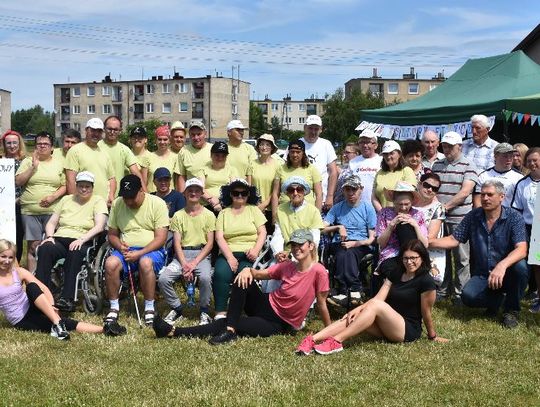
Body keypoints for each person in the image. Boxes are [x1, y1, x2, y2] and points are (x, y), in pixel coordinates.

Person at [153, 229, 331, 345]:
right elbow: (258, 274)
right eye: (293, 245)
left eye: (301, 244)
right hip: (265, 304)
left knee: (224, 322)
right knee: (242, 276)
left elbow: (322, 303)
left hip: (277, 322)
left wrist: (329, 332)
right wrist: (247, 271)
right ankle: (231, 329)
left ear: (311, 246)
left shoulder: (319, 272)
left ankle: (174, 332)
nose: (296, 248)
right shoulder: (287, 266)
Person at [296, 239, 446, 356]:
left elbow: (426, 313)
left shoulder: (426, 280)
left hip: (407, 330)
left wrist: (432, 336)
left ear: (422, 258)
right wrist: (358, 309)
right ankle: (312, 340)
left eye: (414, 258)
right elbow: (378, 298)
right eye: (406, 258)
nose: (409, 262)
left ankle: (337, 341)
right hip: (386, 325)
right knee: (352, 316)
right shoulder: (396, 273)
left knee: (374, 306)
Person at [431, 180, 528, 328]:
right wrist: (427, 242)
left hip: (507, 273)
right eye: (482, 195)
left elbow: (521, 249)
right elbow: (453, 240)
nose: (485, 198)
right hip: (483, 274)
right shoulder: (473, 216)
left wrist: (502, 266)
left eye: (490, 195)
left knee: (520, 268)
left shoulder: (514, 217)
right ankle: (497, 301)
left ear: (502, 197)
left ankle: (511, 311)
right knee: (468, 297)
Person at [0, 239, 126, 340]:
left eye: (10, 257)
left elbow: (42, 287)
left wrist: (51, 306)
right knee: (64, 323)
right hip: (21, 320)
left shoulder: (19, 272)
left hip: (36, 306)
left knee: (33, 286)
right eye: (3, 256)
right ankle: (105, 330)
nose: (7, 261)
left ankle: (57, 323)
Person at [34, 171, 108, 312]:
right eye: (81, 186)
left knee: (74, 252)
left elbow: (99, 226)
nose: (84, 189)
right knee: (45, 249)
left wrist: (82, 239)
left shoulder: (98, 201)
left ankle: (66, 298)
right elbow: (51, 223)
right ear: (76, 186)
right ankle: (41, 294)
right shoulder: (66, 200)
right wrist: (49, 237)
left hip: (83, 240)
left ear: (92, 187)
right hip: (60, 238)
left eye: (87, 186)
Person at [104, 174, 169, 326]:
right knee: (110, 263)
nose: (128, 201)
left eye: (132, 197)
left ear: (141, 191)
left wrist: (140, 253)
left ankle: (149, 307)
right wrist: (119, 245)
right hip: (126, 249)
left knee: (145, 263)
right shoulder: (117, 204)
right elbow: (112, 234)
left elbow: (161, 238)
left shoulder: (157, 203)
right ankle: (113, 307)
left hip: (151, 250)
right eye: (125, 197)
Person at [158, 178, 215, 326]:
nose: (193, 193)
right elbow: (176, 242)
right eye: (190, 190)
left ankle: (204, 310)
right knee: (164, 278)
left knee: (205, 278)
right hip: (182, 255)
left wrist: (194, 263)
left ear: (202, 193)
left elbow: (210, 243)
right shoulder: (178, 215)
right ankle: (177, 308)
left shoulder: (209, 215)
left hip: (201, 255)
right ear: (185, 193)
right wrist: (184, 264)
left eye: (197, 190)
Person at [432, 131, 478, 301]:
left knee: (462, 258)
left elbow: (465, 192)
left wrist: (444, 207)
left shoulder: (469, 165)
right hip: (440, 218)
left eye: (450, 146)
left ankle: (461, 293)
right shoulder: (437, 164)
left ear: (460, 146)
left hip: (460, 218)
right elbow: (432, 188)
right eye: (444, 145)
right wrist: (437, 206)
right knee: (441, 256)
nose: (447, 148)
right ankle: (443, 290)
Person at [213, 179, 267, 319]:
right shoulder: (223, 213)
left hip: (249, 253)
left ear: (249, 195)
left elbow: (263, 232)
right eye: (236, 193)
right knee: (220, 273)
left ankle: (240, 310)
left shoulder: (254, 210)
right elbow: (219, 237)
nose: (240, 196)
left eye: (244, 193)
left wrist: (255, 250)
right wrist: (230, 257)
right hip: (227, 252)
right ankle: (220, 312)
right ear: (230, 194)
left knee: (243, 276)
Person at [16, 132, 66, 272]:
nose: (42, 146)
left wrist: (53, 197)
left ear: (52, 148)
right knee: (33, 246)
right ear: (35, 146)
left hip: (53, 210)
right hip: (30, 210)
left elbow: (65, 185)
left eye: (46, 144)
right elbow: (18, 181)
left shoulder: (59, 163)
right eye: (39, 144)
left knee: (49, 245)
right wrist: (33, 167)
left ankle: (49, 278)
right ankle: (32, 280)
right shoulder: (27, 161)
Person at [323, 175, 376, 306]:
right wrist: (338, 227)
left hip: (361, 243)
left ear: (361, 189)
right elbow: (321, 228)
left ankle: (343, 291)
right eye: (347, 189)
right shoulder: (337, 208)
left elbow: (371, 238)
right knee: (343, 252)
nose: (351, 193)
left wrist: (356, 243)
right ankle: (355, 290)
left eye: (354, 189)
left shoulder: (367, 208)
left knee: (348, 253)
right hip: (340, 242)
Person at [373, 181, 428, 293]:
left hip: (414, 251)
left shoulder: (418, 214)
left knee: (405, 225)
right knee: (392, 270)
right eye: (399, 204)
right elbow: (381, 243)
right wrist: (391, 225)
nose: (403, 208)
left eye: (406, 204)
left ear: (412, 202)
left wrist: (415, 225)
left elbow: (425, 244)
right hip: (390, 253)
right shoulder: (384, 213)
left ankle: (409, 258)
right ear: (393, 201)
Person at [511, 147, 540, 312]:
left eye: (535, 160)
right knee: (537, 264)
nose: (532, 163)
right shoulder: (522, 184)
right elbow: (517, 210)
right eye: (529, 161)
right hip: (531, 228)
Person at [272, 176, 324, 264]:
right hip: (285, 255)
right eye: (291, 190)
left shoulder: (313, 211)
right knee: (272, 274)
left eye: (299, 189)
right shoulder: (280, 210)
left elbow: (314, 240)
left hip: (307, 256)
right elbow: (278, 235)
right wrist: (278, 253)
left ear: (304, 192)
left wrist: (295, 256)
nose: (295, 193)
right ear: (287, 193)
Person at [65, 118, 116, 206]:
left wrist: (111, 195)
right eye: (93, 130)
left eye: (99, 131)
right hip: (83, 205)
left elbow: (111, 179)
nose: (96, 134)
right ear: (86, 130)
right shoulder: (75, 150)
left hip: (103, 205)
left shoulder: (104, 153)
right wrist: (75, 204)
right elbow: (70, 180)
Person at [272, 139, 322, 221]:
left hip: (307, 213)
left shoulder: (312, 169)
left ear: (303, 153)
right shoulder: (280, 169)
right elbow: (275, 194)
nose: (295, 155)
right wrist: (274, 216)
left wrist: (317, 216)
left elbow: (319, 194)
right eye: (292, 152)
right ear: (288, 153)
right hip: (285, 213)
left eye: (298, 152)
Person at [300, 115, 338, 211]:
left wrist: (330, 196)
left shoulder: (326, 144)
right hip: (299, 196)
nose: (313, 132)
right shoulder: (297, 143)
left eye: (316, 129)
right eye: (310, 128)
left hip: (322, 198)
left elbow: (333, 172)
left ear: (321, 130)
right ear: (305, 128)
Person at [414, 173, 446, 286]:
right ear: (419, 184)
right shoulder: (407, 203)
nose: (430, 189)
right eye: (427, 185)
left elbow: (430, 237)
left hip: (428, 249)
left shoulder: (438, 208)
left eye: (435, 188)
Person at [98, 116, 142, 194]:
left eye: (115, 129)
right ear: (104, 129)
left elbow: (135, 172)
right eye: (109, 129)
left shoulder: (124, 149)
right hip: (97, 197)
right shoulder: (97, 147)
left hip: (118, 198)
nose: (112, 132)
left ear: (120, 131)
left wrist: (146, 195)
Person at [1, 130, 27, 261]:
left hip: (19, 204)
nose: (12, 146)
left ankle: (15, 267)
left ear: (19, 144)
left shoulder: (25, 161)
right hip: (3, 205)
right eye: (9, 143)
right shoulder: (1, 161)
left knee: (17, 237)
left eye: (14, 143)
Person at [372, 140, 416, 211]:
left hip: (403, 214)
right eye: (386, 154)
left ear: (399, 154)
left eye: (391, 153)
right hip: (382, 215)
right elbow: (374, 196)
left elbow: (411, 196)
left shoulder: (407, 171)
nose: (388, 157)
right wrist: (383, 212)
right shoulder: (379, 173)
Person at [473, 143, 522, 208]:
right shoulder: (483, 176)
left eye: (511, 156)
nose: (509, 159)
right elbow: (477, 201)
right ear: (496, 156)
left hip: (510, 215)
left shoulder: (519, 177)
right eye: (505, 156)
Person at [250, 134, 281, 232]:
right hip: (255, 207)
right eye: (262, 144)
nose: (264, 147)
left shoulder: (278, 165)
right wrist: (257, 204)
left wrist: (265, 204)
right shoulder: (251, 163)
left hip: (272, 208)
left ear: (272, 148)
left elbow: (277, 189)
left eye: (268, 145)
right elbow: (249, 186)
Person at [198, 141, 238, 214]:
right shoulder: (203, 169)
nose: (220, 158)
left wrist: (220, 201)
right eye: (217, 155)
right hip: (206, 205)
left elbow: (234, 188)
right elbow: (200, 188)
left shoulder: (232, 169)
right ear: (211, 155)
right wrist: (211, 200)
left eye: (223, 156)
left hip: (226, 205)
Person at [175, 120, 213, 192]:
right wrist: (183, 197)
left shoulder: (213, 149)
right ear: (189, 135)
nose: (196, 137)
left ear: (205, 134)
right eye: (193, 134)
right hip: (193, 196)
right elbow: (181, 176)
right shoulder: (184, 151)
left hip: (213, 197)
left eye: (199, 134)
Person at [348, 129, 382, 205]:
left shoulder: (382, 161)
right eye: (362, 142)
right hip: (357, 205)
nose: (365, 145)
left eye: (368, 142)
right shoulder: (353, 162)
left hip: (377, 205)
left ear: (375, 145)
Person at [147, 125, 177, 193]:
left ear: (169, 141)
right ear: (156, 141)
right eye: (159, 139)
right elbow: (143, 180)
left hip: (169, 197)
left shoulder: (176, 158)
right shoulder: (148, 157)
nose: (162, 142)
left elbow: (177, 182)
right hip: (152, 196)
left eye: (165, 139)